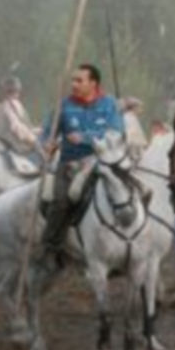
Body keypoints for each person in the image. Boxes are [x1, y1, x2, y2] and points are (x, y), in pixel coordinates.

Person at [39, 64, 124, 271]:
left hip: (102, 162)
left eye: (79, 80)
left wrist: (85, 138)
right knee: (60, 201)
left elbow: (115, 134)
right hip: (70, 164)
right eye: (72, 80)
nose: (74, 84)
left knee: (131, 192)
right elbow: (46, 133)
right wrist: (46, 145)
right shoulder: (64, 105)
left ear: (93, 83)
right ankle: (51, 248)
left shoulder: (109, 104)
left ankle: (137, 244)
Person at [0, 76, 39, 156]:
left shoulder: (12, 104)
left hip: (13, 136)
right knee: (38, 150)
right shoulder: (9, 105)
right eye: (15, 91)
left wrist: (35, 131)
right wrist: (31, 138)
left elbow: (24, 125)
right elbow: (16, 127)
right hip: (11, 140)